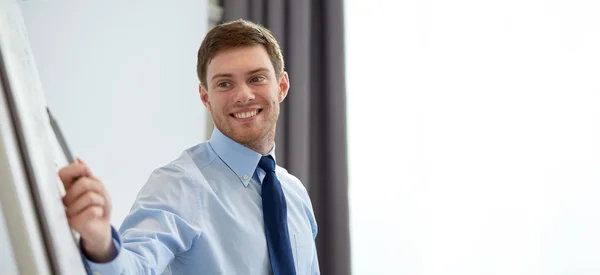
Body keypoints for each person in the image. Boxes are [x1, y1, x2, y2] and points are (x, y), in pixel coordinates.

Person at [58, 19, 320, 275]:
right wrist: (101, 243)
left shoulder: (296, 194)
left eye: (257, 78)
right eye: (224, 84)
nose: (243, 95)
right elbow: (134, 266)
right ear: (205, 97)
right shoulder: (178, 185)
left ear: (282, 86)